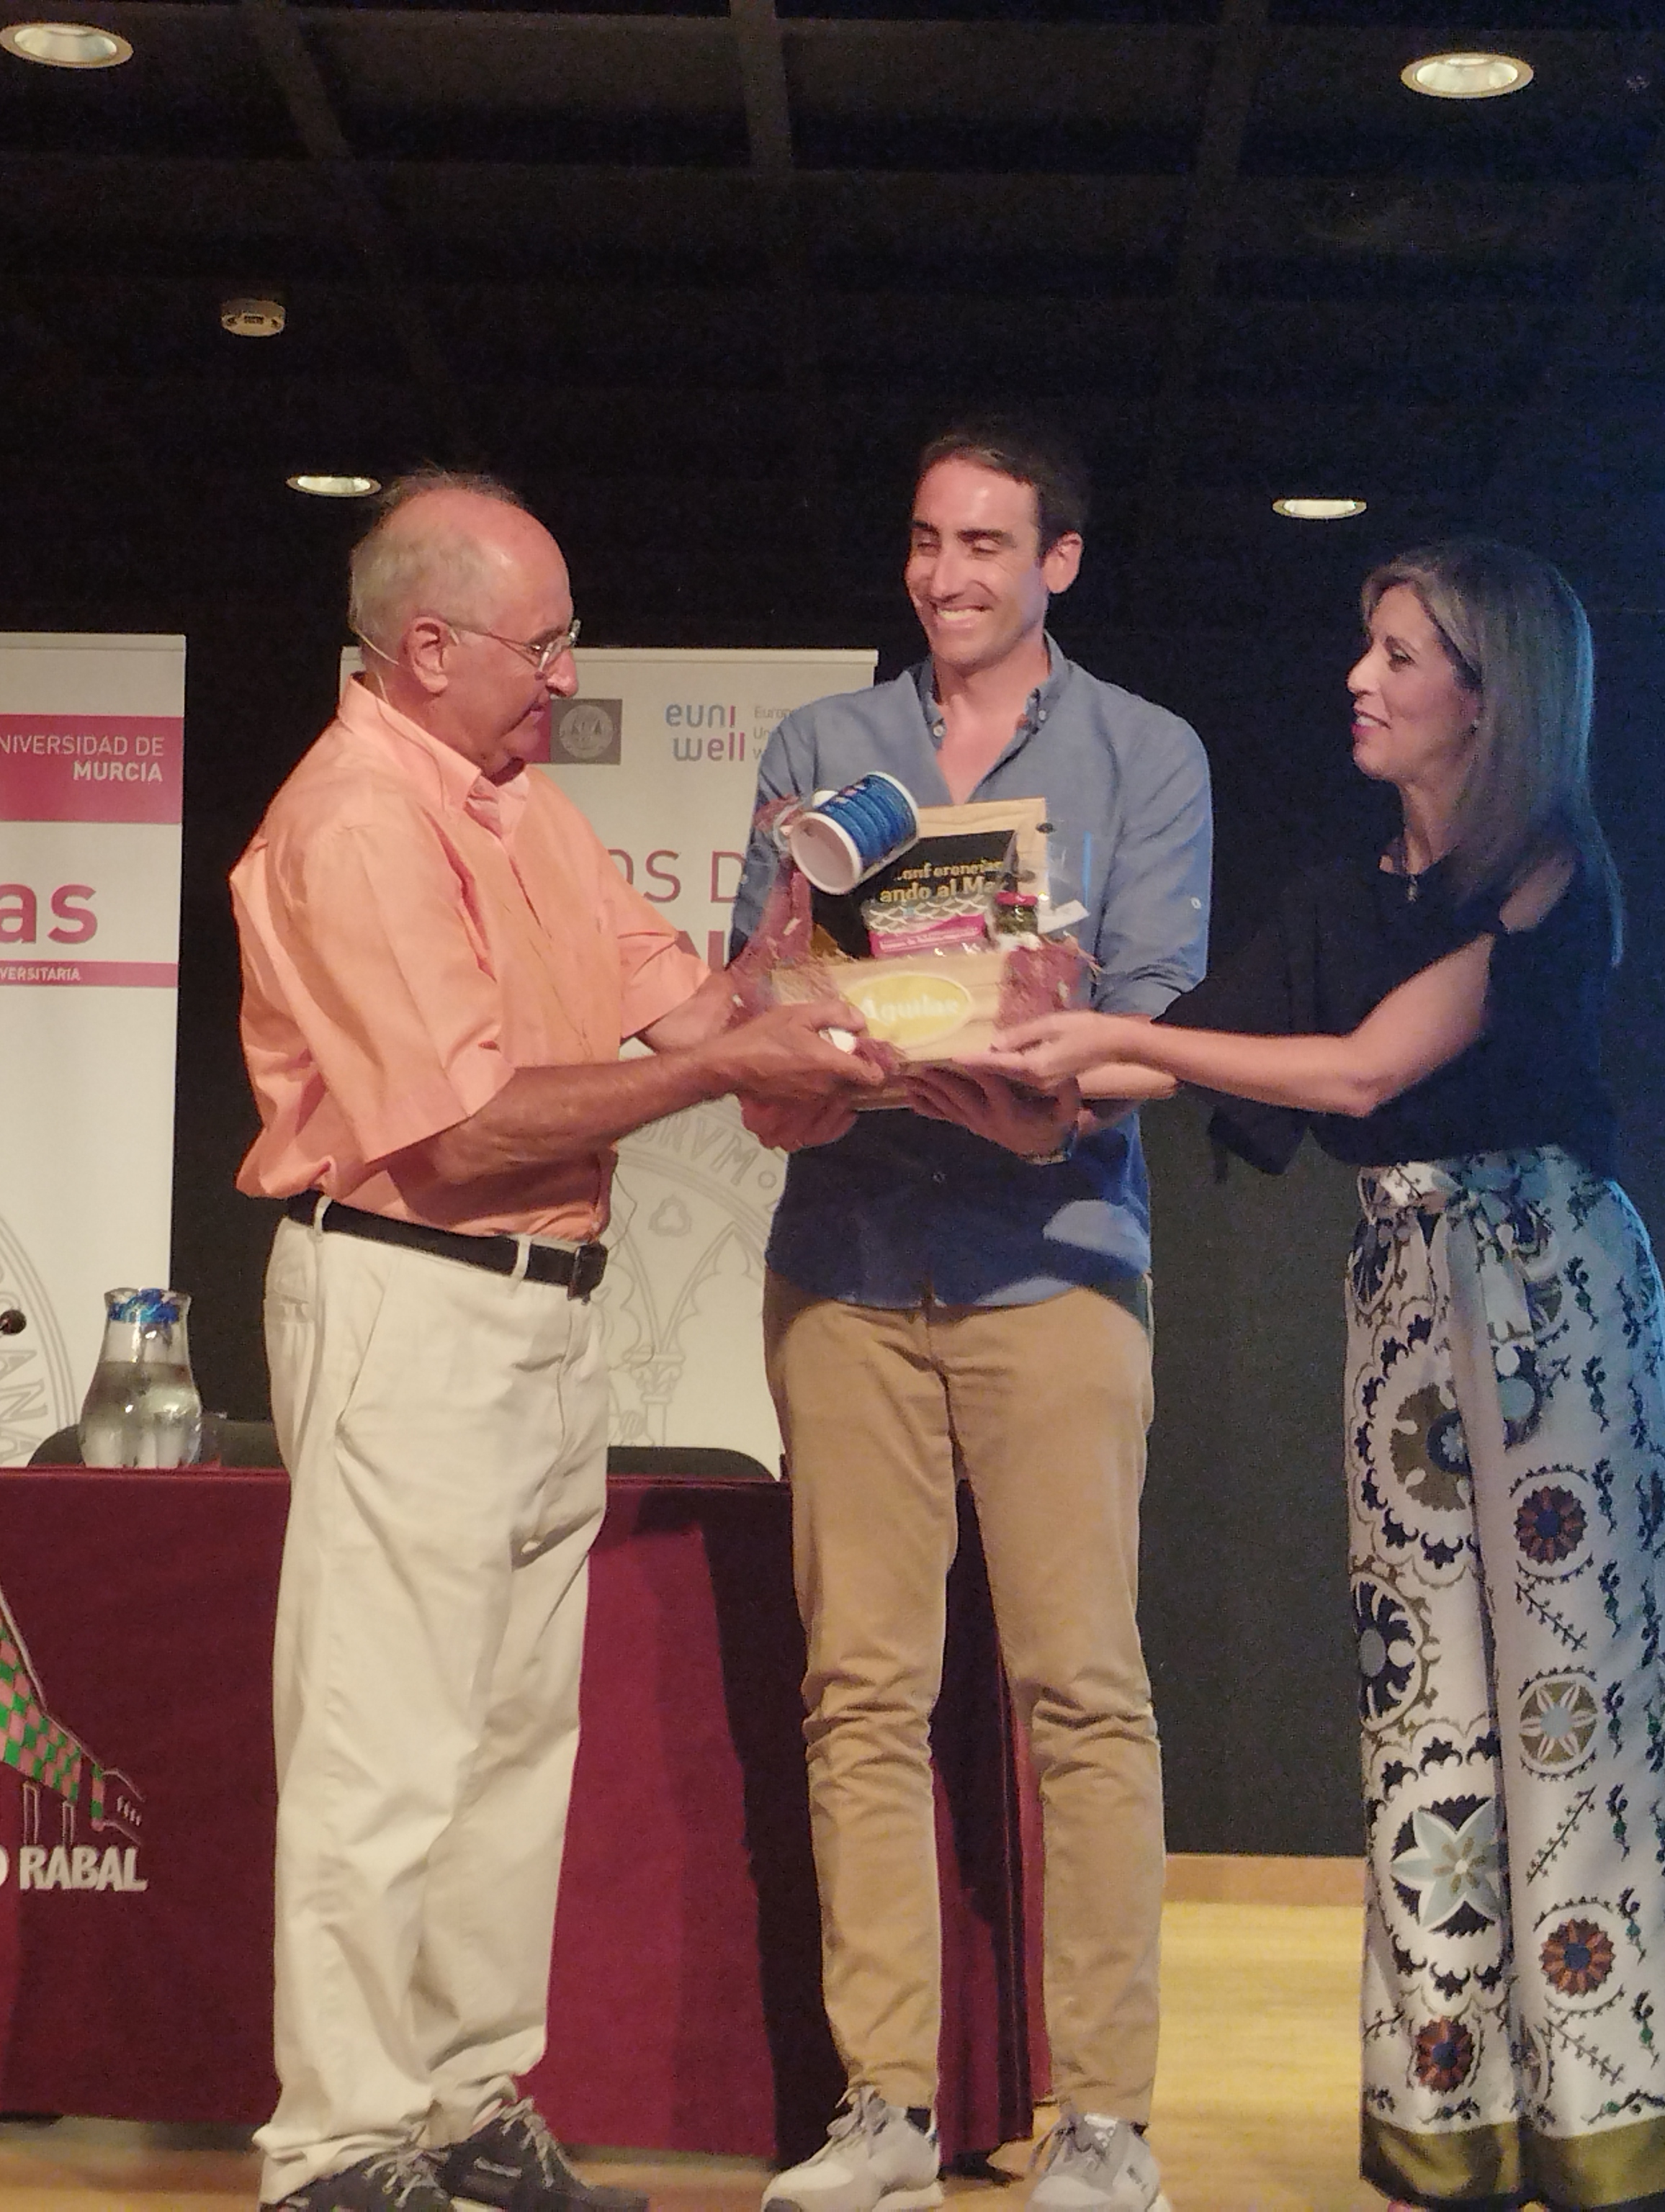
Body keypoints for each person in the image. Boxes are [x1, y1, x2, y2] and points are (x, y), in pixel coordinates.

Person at [979, 540, 1665, 2212]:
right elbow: (1165, 1064)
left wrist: (1126, 1042)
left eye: (1400, 654)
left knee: (1570, 1714)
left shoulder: (1549, 870)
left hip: (1550, 1308)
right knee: (1426, 1720)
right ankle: (1447, 2125)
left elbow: (1371, 1070)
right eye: (1367, 648)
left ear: (1490, 693)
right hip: (1407, 1312)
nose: (1361, 679)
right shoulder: (1338, 898)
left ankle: (1610, 2123)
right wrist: (1022, 1035)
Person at [231, 472, 879, 2212]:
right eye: (545, 640)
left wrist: (833, 964)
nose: (569, 672)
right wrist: (726, 1066)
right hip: (410, 1284)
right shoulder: (360, 819)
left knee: (513, 1739)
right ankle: (341, 2143)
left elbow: (695, 1005)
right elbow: (456, 1135)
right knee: (388, 1738)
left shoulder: (530, 813)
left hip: (538, 1313)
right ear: (425, 647)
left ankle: (460, 2100)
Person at [728, 419, 1213, 2212]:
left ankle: (1103, 2120)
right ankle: (886, 2112)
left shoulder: (1146, 752)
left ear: (1058, 564)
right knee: (860, 1691)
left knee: (1082, 1691)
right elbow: (758, 982)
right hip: (844, 1260)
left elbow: (1153, 1023)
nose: (950, 576)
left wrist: (1047, 1059)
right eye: (929, 541)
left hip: (1057, 1259)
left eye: (989, 546)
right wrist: (814, 1026)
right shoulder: (820, 746)